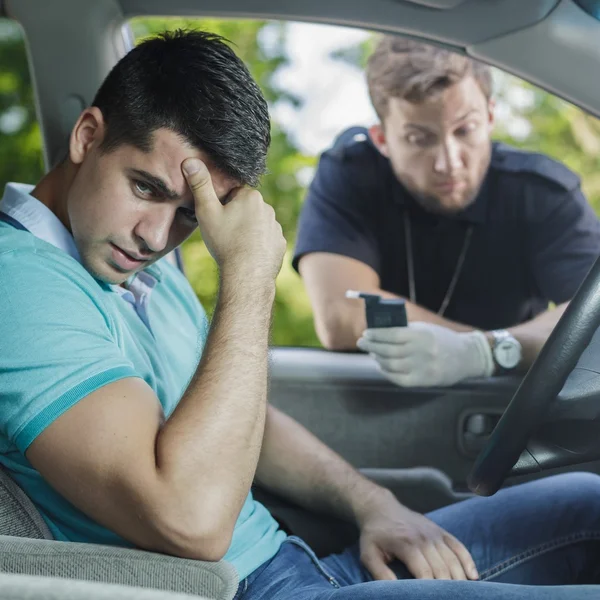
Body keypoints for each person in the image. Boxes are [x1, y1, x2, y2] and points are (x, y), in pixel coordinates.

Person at [0, 29, 599, 600]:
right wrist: (249, 272)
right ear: (86, 136)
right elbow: (191, 521)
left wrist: (374, 505)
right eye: (146, 188)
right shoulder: (21, 281)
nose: (157, 236)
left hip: (297, 564)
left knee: (583, 501)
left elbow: (242, 419)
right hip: (242, 590)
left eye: (189, 215)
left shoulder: (134, 265)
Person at [293, 36, 600, 388]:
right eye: (419, 138)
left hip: (506, 408)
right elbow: (341, 314)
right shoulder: (351, 174)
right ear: (381, 140)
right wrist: (503, 345)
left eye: (465, 130)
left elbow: (593, 321)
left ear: (489, 117)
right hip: (378, 402)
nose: (448, 162)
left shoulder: (542, 193)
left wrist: (480, 353)